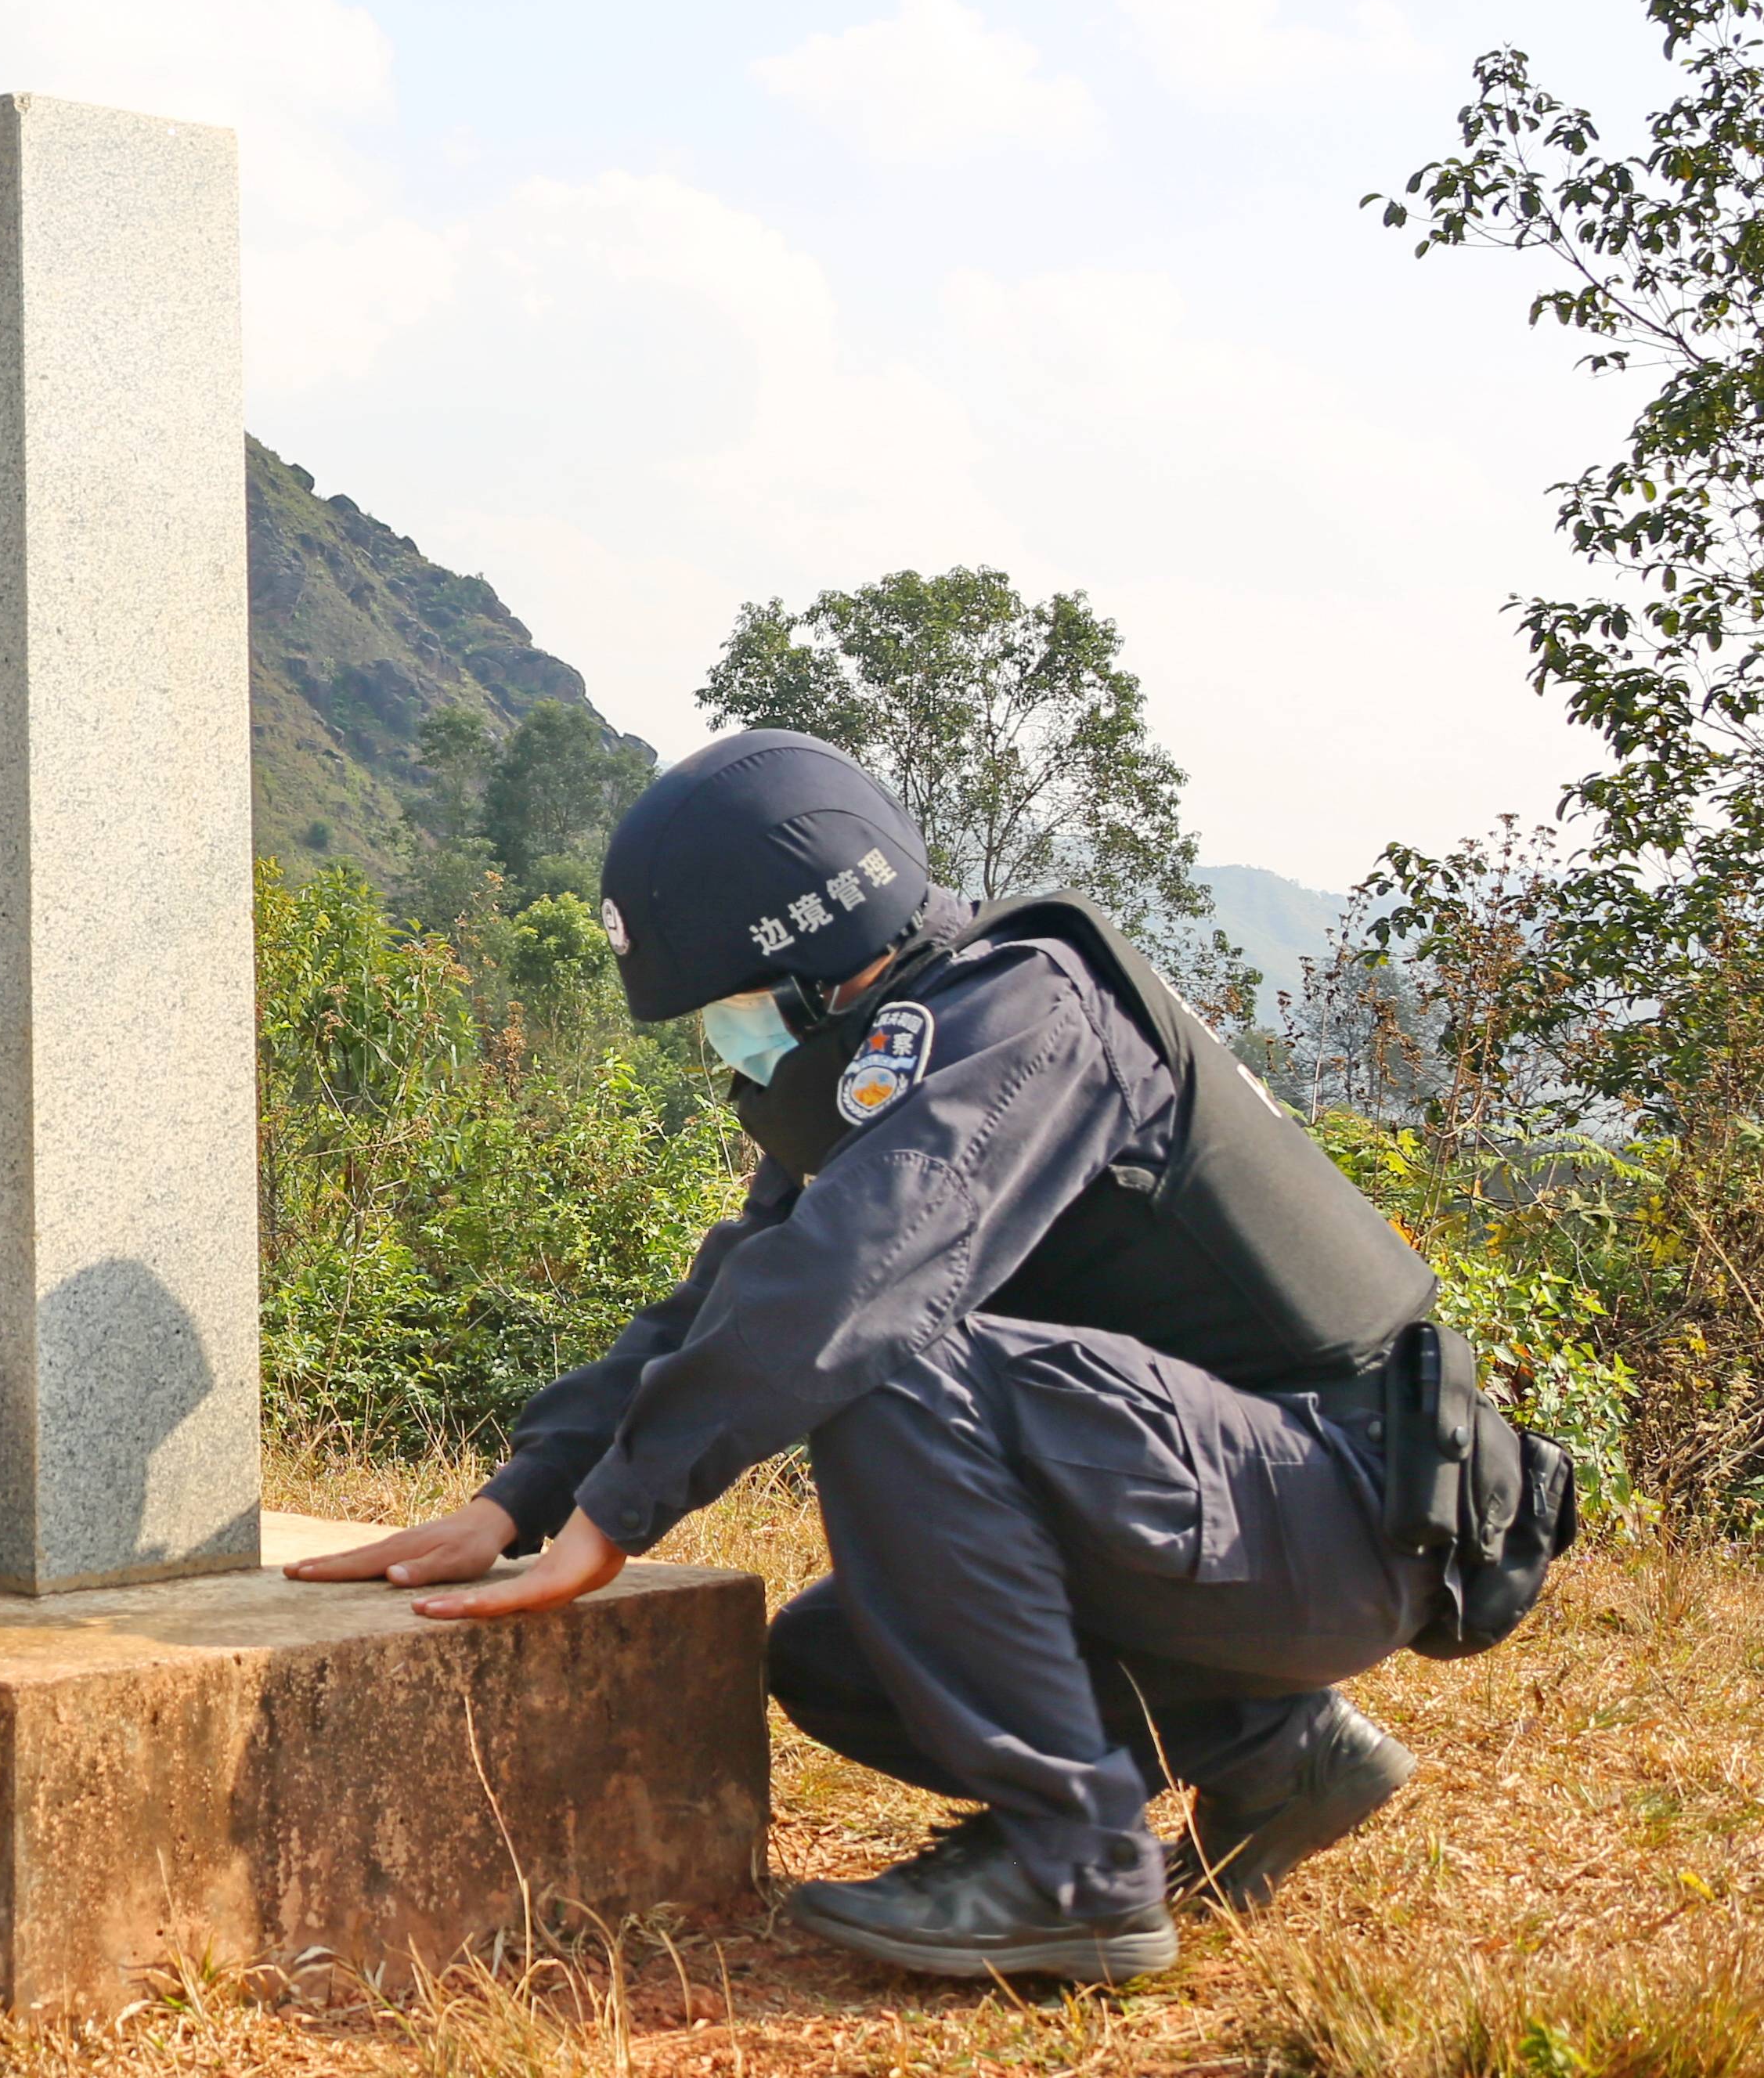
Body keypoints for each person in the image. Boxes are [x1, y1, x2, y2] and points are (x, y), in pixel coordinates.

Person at [293, 729, 1567, 1983]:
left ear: (807, 960)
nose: (724, 1046)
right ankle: (1276, 1751)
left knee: (887, 1352)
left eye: (728, 1008)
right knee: (838, 1659)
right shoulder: (898, 1059)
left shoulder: (1024, 1005)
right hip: (1234, 1508)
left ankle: (1075, 1873)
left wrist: (621, 1512)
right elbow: (728, 1297)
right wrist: (518, 1501)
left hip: (1345, 1496)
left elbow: (849, 1282)